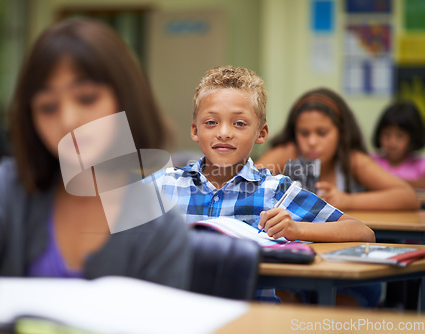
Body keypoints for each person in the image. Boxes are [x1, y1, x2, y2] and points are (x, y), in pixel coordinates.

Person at [0, 19, 192, 310]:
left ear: (125, 100)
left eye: (87, 98)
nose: (67, 121)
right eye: (47, 107)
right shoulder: (11, 188)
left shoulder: (162, 229)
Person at [145, 66, 374, 302]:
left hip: (251, 317)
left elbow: (362, 232)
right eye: (211, 122)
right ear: (195, 130)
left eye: (240, 124)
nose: (224, 133)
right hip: (176, 313)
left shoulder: (275, 191)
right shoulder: (165, 184)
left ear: (261, 133)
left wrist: (296, 230)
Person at [256, 88, 420, 211]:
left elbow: (408, 197)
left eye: (322, 133)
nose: (312, 142)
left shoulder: (353, 160)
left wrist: (349, 201)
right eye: (304, 133)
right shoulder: (290, 153)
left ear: (341, 133)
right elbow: (245, 185)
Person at [372, 101, 425, 189]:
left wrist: (388, 181)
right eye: (387, 134)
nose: (392, 143)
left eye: (400, 136)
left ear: (413, 138)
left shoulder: (420, 165)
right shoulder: (372, 161)